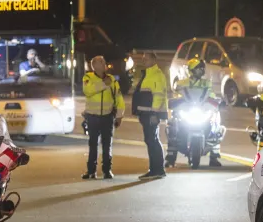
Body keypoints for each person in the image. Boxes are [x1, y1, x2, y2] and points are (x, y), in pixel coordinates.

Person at [170, 57, 224, 167]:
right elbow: (177, 92)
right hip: (187, 109)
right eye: (198, 68)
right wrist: (175, 102)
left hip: (202, 109)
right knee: (172, 125)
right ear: (192, 70)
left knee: (216, 125)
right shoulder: (182, 82)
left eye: (202, 68)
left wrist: (217, 101)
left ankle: (214, 157)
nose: (201, 70)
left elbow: (211, 94)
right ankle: (170, 157)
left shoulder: (206, 83)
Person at [81, 55, 124, 179]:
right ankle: (91, 171)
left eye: (104, 62)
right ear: (94, 66)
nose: (104, 64)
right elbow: (88, 91)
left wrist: (120, 115)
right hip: (92, 117)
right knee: (93, 144)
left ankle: (107, 170)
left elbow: (119, 98)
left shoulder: (112, 80)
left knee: (107, 144)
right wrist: (103, 84)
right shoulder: (88, 77)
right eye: (101, 62)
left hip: (107, 116)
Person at [130, 51, 170, 180]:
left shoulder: (157, 75)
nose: (143, 61)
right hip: (145, 113)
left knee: (152, 140)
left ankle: (157, 169)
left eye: (146, 59)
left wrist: (154, 113)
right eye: (143, 59)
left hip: (151, 113)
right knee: (150, 140)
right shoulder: (147, 74)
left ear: (153, 60)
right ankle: (154, 169)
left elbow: (158, 96)